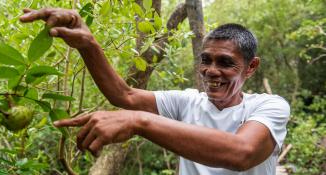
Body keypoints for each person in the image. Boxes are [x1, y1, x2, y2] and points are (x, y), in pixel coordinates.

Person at [20, 8, 290, 175]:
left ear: (251, 67)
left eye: (226, 62)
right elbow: (124, 95)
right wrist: (88, 44)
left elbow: (242, 153)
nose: (211, 70)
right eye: (206, 60)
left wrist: (138, 121)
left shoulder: (269, 107)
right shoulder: (187, 102)